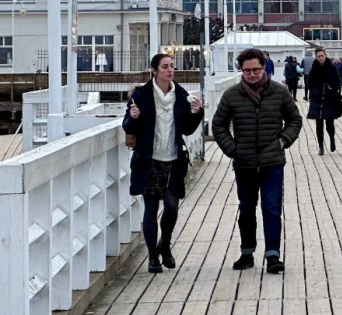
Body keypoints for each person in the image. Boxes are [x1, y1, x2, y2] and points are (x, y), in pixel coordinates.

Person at [212, 47, 302, 274]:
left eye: (256, 70)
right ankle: (247, 252)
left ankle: (273, 255)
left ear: (264, 68)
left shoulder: (279, 92)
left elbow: (295, 120)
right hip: (244, 163)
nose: (252, 74)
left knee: (271, 208)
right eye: (247, 70)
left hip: (272, 161)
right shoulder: (232, 95)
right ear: (240, 70)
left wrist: (283, 141)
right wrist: (232, 150)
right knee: (246, 209)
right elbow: (218, 125)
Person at [123, 53, 205, 273]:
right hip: (150, 161)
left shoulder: (181, 95)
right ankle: (152, 256)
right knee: (151, 208)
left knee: (171, 207)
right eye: (165, 67)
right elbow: (129, 126)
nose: (170, 70)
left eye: (172, 66)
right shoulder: (141, 95)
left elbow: (187, 128)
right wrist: (134, 116)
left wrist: (197, 112)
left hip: (173, 159)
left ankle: (164, 244)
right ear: (154, 70)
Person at [306, 48, 342, 156]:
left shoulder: (331, 68)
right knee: (318, 123)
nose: (321, 58)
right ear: (316, 58)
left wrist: (333, 88)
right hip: (317, 98)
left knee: (329, 123)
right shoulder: (314, 68)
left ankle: (332, 138)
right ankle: (321, 145)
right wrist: (313, 92)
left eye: (322, 56)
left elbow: (337, 81)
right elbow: (310, 82)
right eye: (319, 56)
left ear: (325, 56)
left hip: (329, 98)